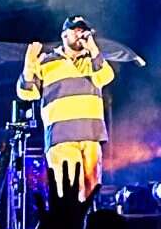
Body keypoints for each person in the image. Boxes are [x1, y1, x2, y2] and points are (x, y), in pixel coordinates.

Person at [16, 15, 114, 203]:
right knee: (68, 193)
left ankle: (88, 223)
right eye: (75, 30)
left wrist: (93, 48)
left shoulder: (93, 60)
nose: (80, 34)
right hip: (61, 137)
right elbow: (27, 93)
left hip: (91, 136)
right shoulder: (46, 62)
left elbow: (106, 77)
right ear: (64, 35)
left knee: (91, 192)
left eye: (83, 31)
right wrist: (28, 66)